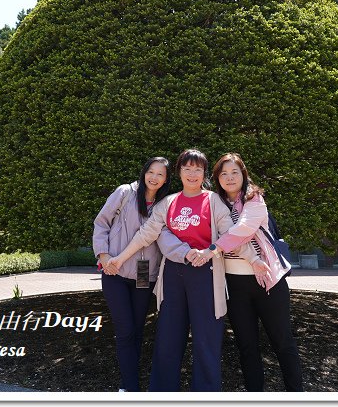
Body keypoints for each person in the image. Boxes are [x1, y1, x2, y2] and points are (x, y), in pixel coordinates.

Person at [105, 149, 267, 392]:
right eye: (187, 168)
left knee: (206, 339)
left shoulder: (214, 200)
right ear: (179, 171)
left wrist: (254, 259)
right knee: (168, 338)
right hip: (173, 275)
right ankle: (161, 393)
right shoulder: (167, 202)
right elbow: (147, 234)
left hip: (206, 274)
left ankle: (206, 394)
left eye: (198, 169)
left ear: (204, 173)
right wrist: (119, 258)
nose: (192, 174)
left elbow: (231, 234)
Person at [194, 152, 303, 391]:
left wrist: (210, 250)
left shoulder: (255, 200)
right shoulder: (215, 204)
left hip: (268, 281)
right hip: (235, 284)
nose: (229, 178)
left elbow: (242, 231)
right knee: (247, 346)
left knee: (283, 342)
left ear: (243, 175)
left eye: (234, 172)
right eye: (223, 174)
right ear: (217, 178)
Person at [92, 157, 173, 392]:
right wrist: (103, 255)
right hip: (114, 271)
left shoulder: (165, 204)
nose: (154, 177)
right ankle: (129, 388)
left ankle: (131, 381)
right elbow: (101, 223)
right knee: (125, 330)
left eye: (160, 174)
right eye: (151, 171)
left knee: (137, 330)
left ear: (166, 180)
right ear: (144, 172)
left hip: (143, 273)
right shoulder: (125, 192)